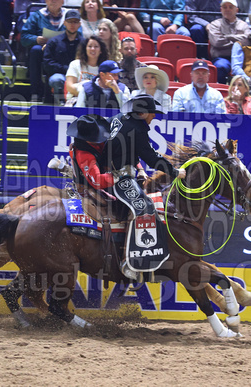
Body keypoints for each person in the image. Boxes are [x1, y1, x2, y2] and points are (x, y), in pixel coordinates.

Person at [106, 94, 186, 280]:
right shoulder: (138, 129)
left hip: (112, 170)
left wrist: (137, 167)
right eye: (152, 113)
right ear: (142, 113)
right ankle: (130, 260)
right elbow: (151, 158)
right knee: (145, 207)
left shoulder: (119, 119)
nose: (154, 117)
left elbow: (125, 147)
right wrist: (175, 173)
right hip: (118, 178)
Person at [20, 0, 70, 100]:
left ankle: (66, 92)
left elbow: (79, 34)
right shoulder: (37, 15)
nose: (53, 1)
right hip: (42, 48)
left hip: (65, 49)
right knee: (35, 50)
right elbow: (24, 37)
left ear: (62, 1)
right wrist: (36, 39)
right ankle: (36, 92)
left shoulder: (69, 15)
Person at [43, 10, 83, 106]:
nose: (72, 24)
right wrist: (66, 69)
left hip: (79, 76)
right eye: (69, 21)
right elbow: (47, 63)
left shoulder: (84, 43)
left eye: (75, 22)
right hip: (60, 74)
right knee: (56, 80)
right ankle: (60, 104)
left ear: (80, 24)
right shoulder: (54, 41)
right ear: (64, 23)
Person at [67, 114, 115, 191]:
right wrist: (117, 176)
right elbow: (97, 181)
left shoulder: (95, 142)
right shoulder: (84, 155)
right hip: (89, 186)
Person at [207, 0, 251, 84]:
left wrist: (227, 37)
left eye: (231, 7)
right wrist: (237, 42)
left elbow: (247, 39)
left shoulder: (244, 25)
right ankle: (221, 90)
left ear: (237, 10)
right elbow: (217, 42)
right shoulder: (215, 24)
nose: (227, 9)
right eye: (224, 7)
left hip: (241, 58)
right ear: (221, 10)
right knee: (220, 66)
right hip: (223, 57)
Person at [65, 35, 108, 103]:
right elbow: (69, 87)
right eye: (89, 46)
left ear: (101, 50)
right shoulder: (75, 64)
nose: (92, 49)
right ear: (85, 49)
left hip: (97, 101)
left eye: (96, 46)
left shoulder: (105, 68)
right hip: (75, 98)